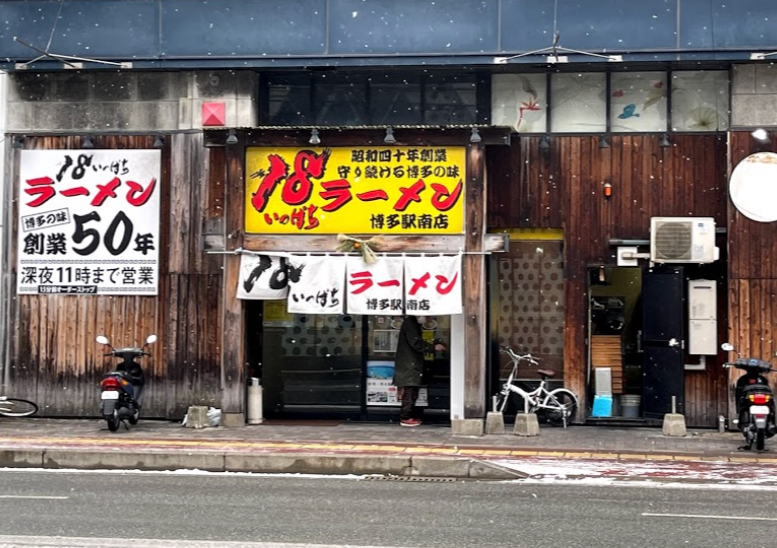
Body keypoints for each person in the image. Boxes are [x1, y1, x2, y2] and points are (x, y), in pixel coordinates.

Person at [393, 315, 446, 427]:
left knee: (410, 388)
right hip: (409, 363)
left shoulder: (410, 323)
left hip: (408, 362)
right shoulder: (411, 323)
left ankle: (407, 416)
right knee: (410, 388)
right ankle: (405, 417)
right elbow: (416, 344)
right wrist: (433, 347)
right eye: (427, 316)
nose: (429, 319)